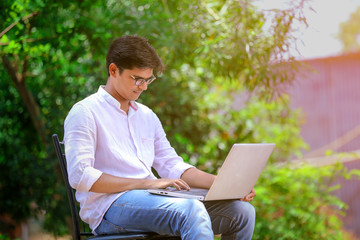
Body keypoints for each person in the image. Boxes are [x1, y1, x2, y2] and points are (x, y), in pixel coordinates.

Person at [64, 35, 256, 240]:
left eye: (148, 80)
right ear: (113, 70)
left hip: (152, 200)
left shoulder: (146, 116)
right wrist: (148, 184)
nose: (143, 87)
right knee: (190, 210)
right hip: (110, 208)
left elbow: (172, 165)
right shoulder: (85, 112)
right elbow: (80, 175)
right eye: (137, 79)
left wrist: (222, 184)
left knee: (242, 212)